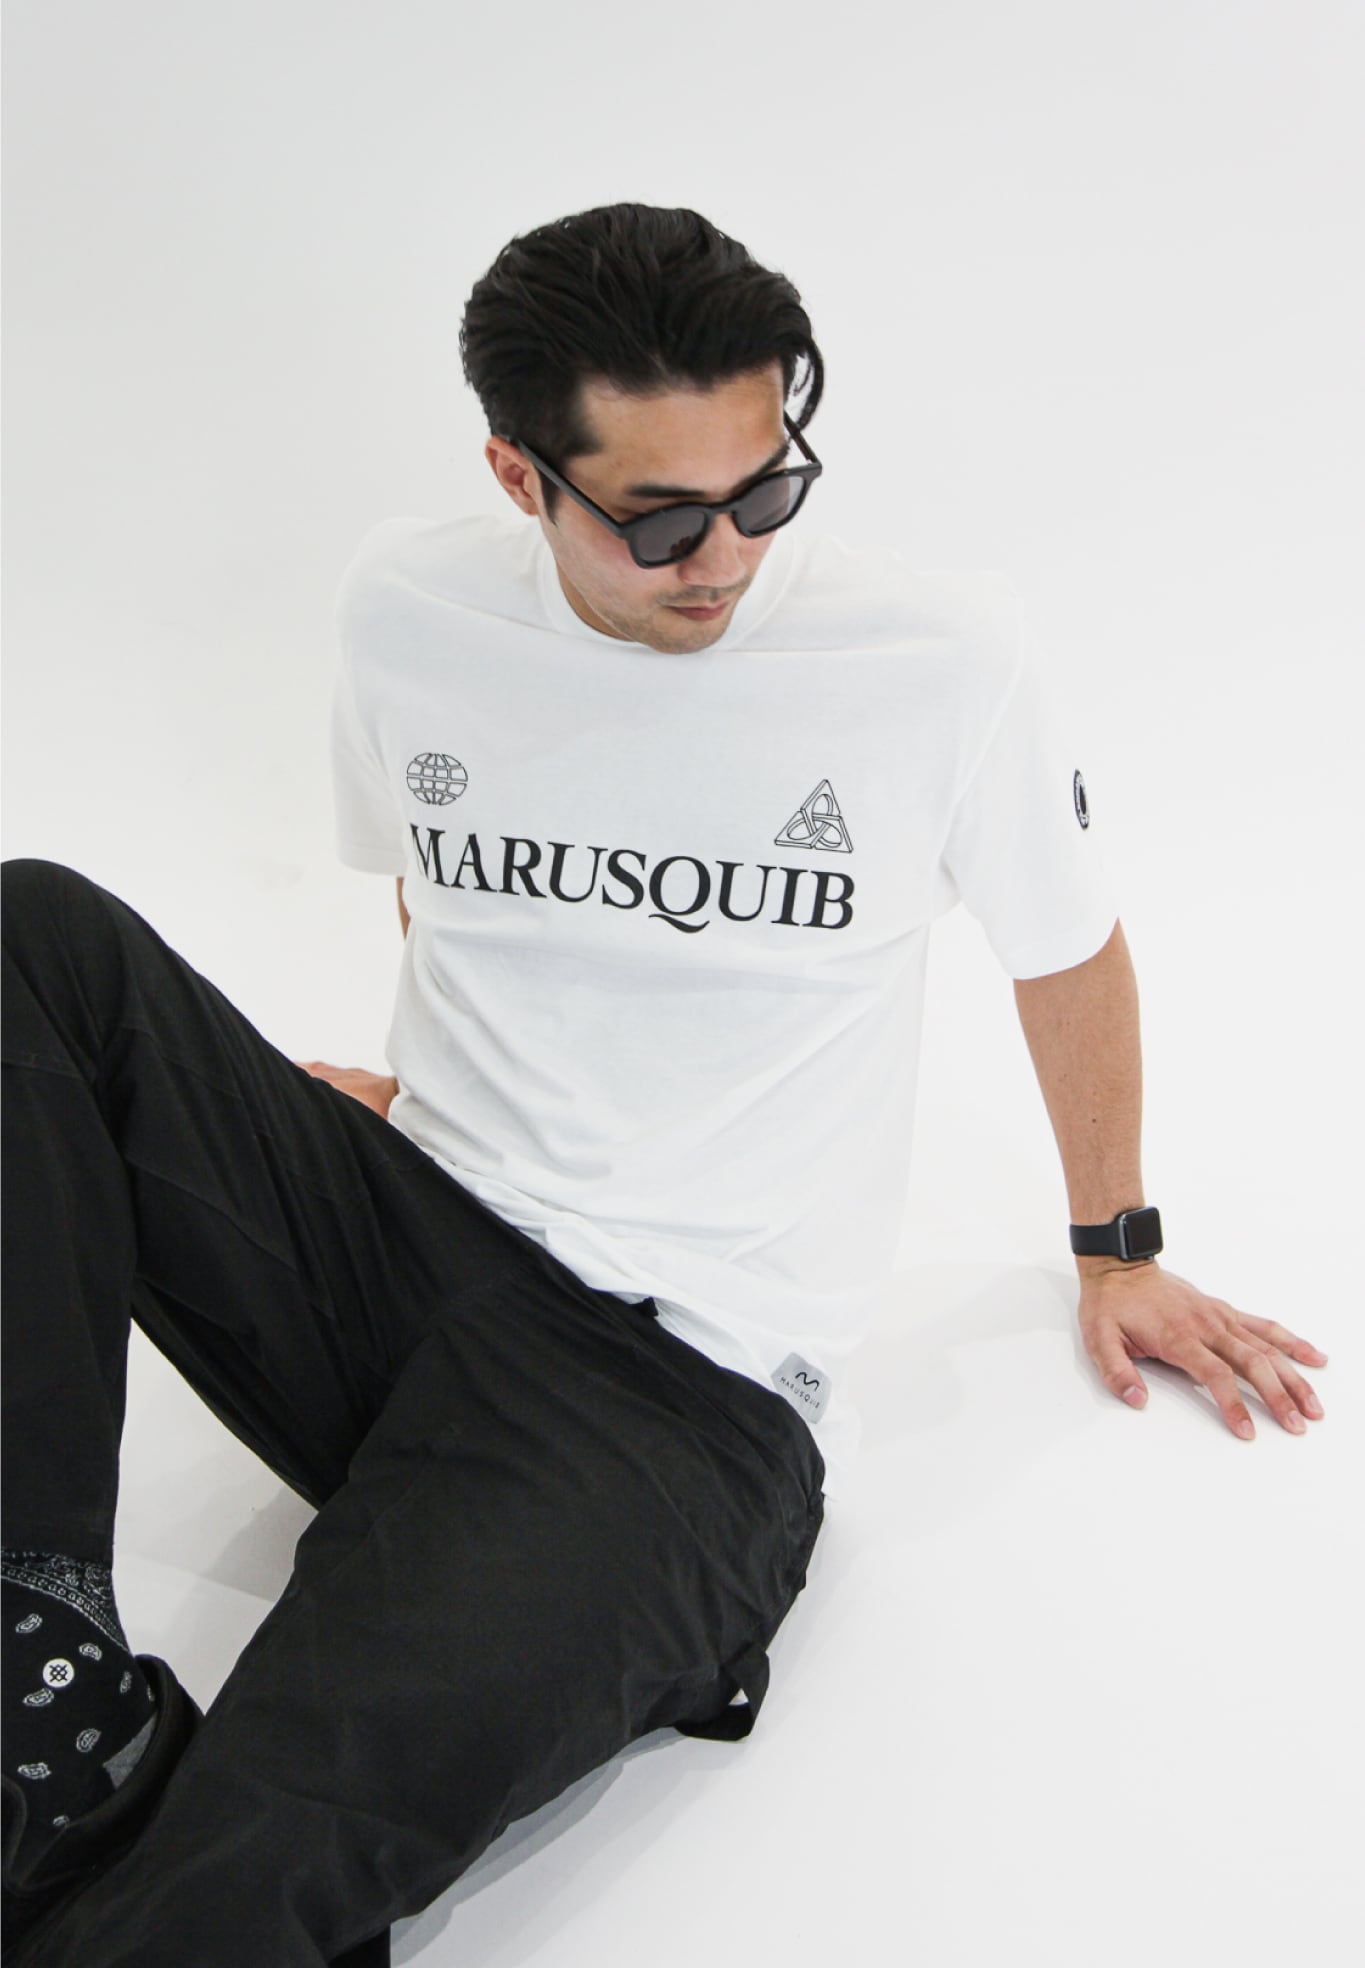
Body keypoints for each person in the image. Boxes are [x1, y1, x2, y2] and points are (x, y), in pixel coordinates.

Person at [0, 201, 1328, 1966]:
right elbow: (442, 884)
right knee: (30, 939)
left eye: (764, 492)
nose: (724, 558)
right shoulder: (405, 607)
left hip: (672, 1398)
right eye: (660, 520)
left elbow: (1064, 945)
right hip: (405, 1244)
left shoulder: (934, 658)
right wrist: (413, 1107)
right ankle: (41, 1669)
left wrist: (1116, 1247)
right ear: (517, 474)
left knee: (243, 1877)